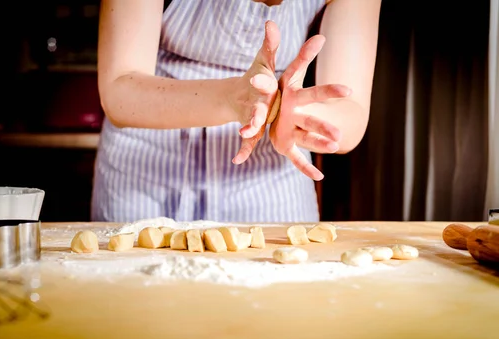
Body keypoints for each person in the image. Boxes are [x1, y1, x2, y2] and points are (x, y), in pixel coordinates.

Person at [92, 0, 381, 223]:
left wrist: (292, 115)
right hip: (143, 173)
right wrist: (233, 98)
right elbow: (120, 88)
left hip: (272, 188)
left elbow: (350, 112)